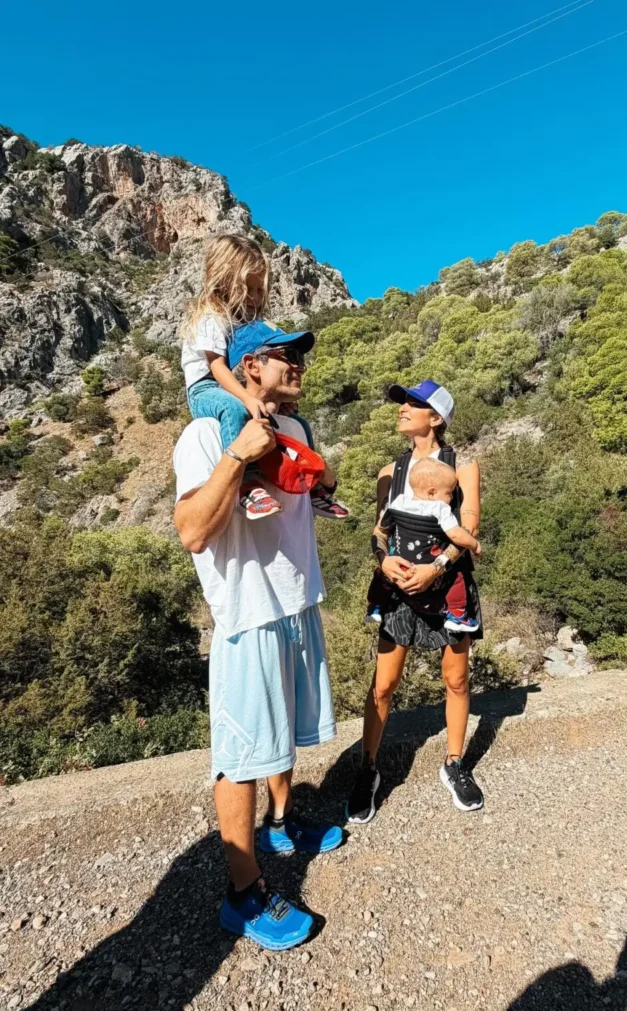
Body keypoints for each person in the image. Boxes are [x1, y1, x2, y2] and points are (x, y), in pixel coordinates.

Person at [173, 318, 342, 952]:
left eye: (300, 354)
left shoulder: (297, 428)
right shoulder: (203, 433)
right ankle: (243, 896)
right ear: (248, 367)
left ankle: (281, 823)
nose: (297, 364)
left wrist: (322, 474)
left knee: (284, 732)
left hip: (297, 603)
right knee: (241, 757)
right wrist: (237, 456)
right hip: (247, 616)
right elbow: (192, 530)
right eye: (283, 355)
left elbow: (318, 491)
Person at [346, 379, 485, 824]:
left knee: (456, 679)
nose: (402, 409)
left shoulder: (463, 467)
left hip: (447, 587)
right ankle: (368, 768)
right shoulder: (389, 471)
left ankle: (454, 763)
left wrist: (436, 568)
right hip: (399, 588)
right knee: (384, 683)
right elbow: (379, 529)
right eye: (402, 403)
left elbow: (468, 529)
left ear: (436, 417)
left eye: (414, 403)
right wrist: (384, 561)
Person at [180, 232, 346, 520]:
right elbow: (217, 368)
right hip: (205, 387)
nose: (256, 298)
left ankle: (314, 486)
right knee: (233, 409)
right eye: (249, 289)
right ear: (225, 282)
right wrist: (246, 398)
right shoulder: (211, 318)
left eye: (260, 290)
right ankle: (246, 482)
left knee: (298, 423)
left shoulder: (242, 321)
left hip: (228, 382)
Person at [365, 457, 482, 633]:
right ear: (432, 493)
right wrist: (475, 545)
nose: (451, 498)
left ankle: (375, 606)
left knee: (381, 576)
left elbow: (381, 528)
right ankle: (456, 615)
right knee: (456, 578)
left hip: (401, 566)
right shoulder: (440, 509)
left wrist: (384, 560)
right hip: (430, 566)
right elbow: (457, 534)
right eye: (449, 493)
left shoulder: (399, 502)